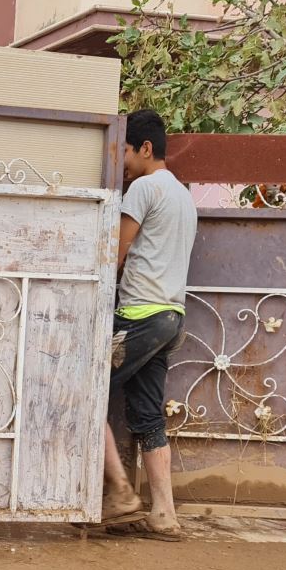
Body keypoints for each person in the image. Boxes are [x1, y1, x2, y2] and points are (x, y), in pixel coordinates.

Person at [101, 109, 196, 541]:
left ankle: (121, 493)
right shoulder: (182, 195)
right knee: (147, 416)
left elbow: (116, 253)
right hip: (171, 319)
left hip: (139, 314)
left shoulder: (143, 187)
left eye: (124, 149)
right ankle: (164, 515)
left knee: (86, 388)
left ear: (144, 148)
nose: (121, 159)